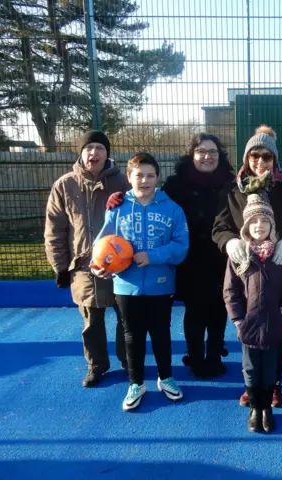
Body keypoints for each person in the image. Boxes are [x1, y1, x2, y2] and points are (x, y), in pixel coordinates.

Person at [108, 134, 235, 378]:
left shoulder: (230, 183)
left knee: (220, 309)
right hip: (189, 259)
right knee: (196, 310)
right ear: (192, 154)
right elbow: (149, 198)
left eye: (213, 152)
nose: (207, 156)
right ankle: (196, 357)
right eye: (201, 151)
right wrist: (122, 197)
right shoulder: (177, 184)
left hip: (222, 255)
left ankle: (214, 355)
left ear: (220, 156)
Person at [213, 125, 282, 407]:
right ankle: (251, 384)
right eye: (254, 156)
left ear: (274, 159)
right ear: (246, 158)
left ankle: (275, 383)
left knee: (278, 330)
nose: (260, 162)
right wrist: (230, 242)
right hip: (246, 273)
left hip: (279, 267)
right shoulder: (232, 188)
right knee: (248, 330)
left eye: (266, 157)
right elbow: (220, 226)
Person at [94, 153, 189, 411]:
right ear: (129, 177)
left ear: (157, 178)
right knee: (131, 335)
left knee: (161, 332)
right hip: (126, 285)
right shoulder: (118, 207)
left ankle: (166, 377)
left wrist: (154, 256)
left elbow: (181, 247)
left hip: (161, 283)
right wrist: (101, 265)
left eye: (150, 175)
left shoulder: (172, 209)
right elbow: (102, 243)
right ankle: (136, 383)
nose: (144, 181)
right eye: (139, 175)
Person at [44, 130, 129, 387]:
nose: (94, 153)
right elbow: (54, 230)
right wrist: (60, 266)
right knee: (91, 320)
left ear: (107, 154)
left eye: (100, 148)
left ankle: (129, 361)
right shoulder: (64, 185)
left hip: (121, 265)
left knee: (126, 317)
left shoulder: (124, 183)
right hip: (83, 267)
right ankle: (97, 365)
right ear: (81, 153)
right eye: (89, 148)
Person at [223, 194, 282, 433]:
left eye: (264, 221)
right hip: (249, 326)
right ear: (247, 227)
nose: (259, 226)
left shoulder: (281, 255)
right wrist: (238, 319)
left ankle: (267, 407)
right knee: (250, 369)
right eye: (254, 221)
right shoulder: (239, 256)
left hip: (275, 325)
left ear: (272, 226)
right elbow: (230, 290)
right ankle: (255, 407)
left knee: (271, 369)